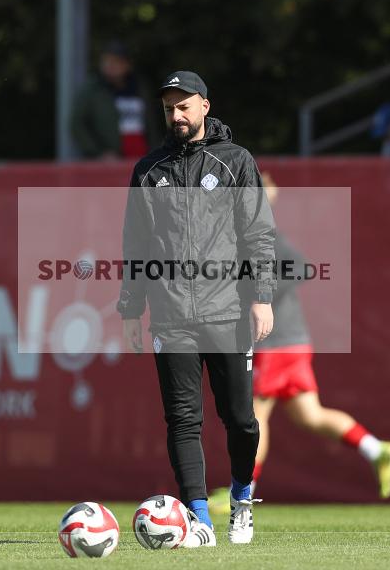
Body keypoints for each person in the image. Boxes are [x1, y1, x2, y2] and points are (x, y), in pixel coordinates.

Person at [117, 70, 276, 547]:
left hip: (227, 312)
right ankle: (199, 518)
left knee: (241, 419)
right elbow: (136, 243)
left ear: (205, 106)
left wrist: (261, 297)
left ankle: (242, 498)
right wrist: (130, 309)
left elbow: (257, 234)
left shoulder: (235, 161)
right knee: (183, 420)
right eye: (169, 108)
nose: (177, 115)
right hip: (170, 315)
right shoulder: (149, 169)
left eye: (185, 106)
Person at [210, 173, 390, 512]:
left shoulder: (263, 236)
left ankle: (242, 492)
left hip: (276, 342)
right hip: (291, 341)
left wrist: (261, 296)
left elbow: (300, 267)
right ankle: (376, 448)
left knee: (254, 417)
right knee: (310, 416)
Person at [70, 40, 160, 159]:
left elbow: (151, 124)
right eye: (106, 61)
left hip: (142, 157)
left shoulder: (140, 88)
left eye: (116, 61)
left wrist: (155, 150)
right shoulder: (93, 90)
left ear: (127, 64)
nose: (110, 66)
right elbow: (78, 123)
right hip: (110, 162)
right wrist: (98, 153)